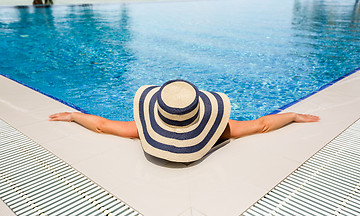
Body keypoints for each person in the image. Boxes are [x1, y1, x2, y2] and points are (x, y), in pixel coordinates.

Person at [49, 79, 319, 163]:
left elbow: (102, 125)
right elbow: (261, 124)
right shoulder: (221, 131)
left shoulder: (141, 131)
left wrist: (74, 116)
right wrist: (293, 116)